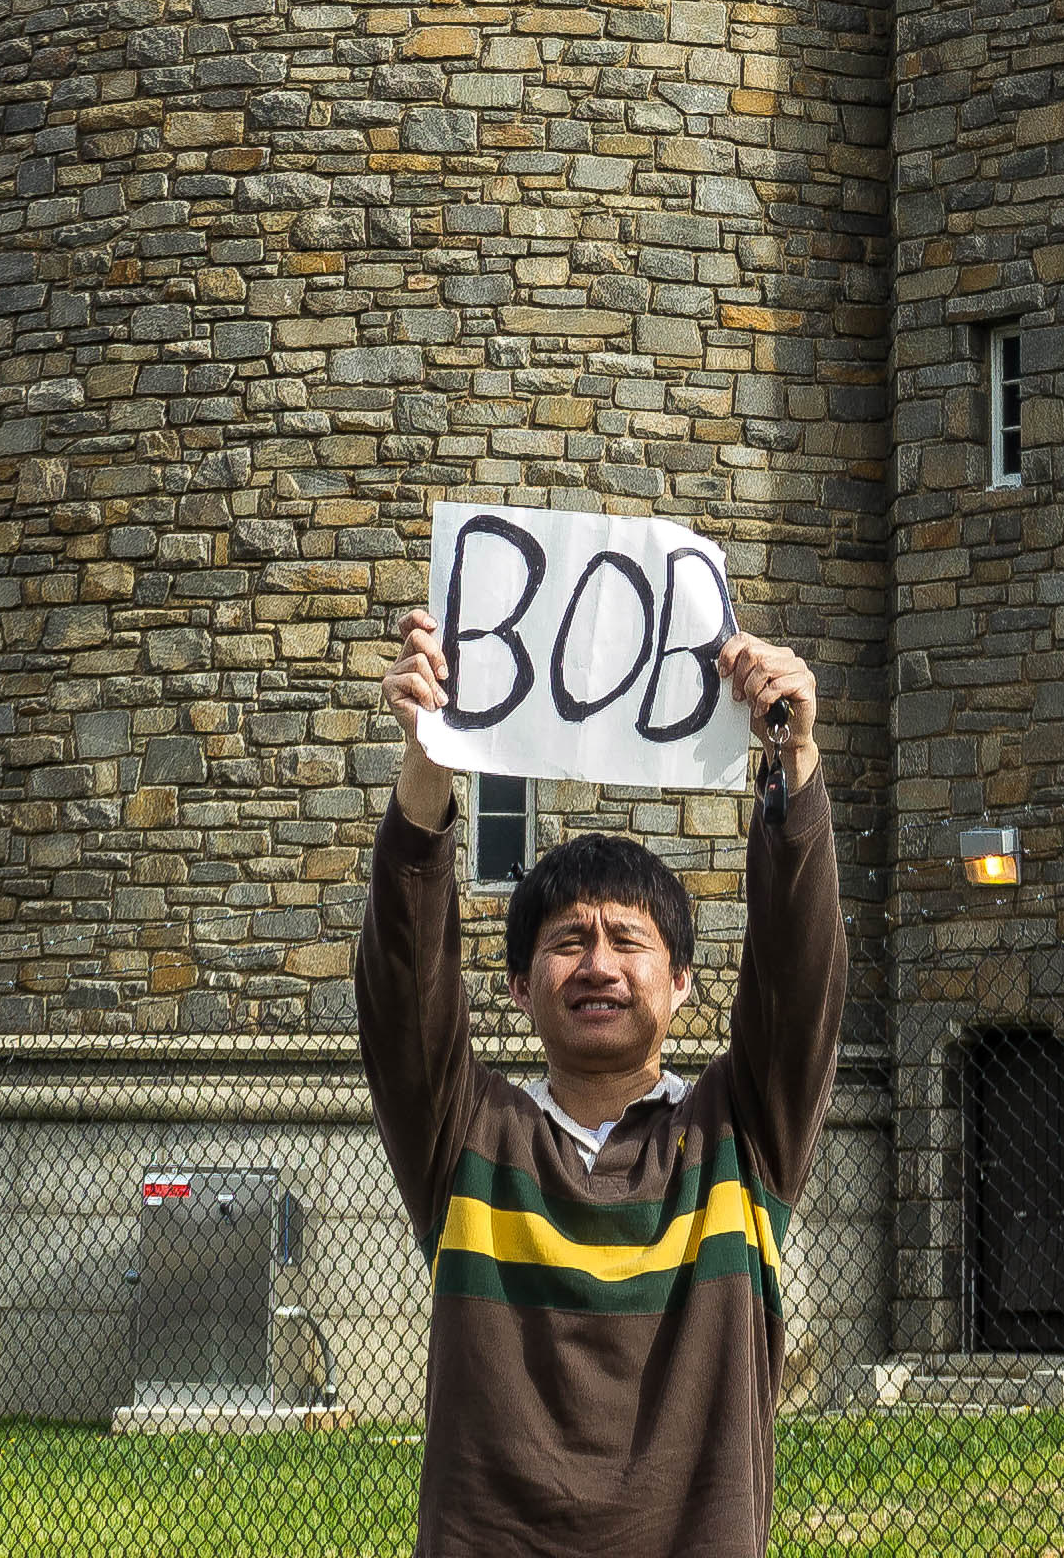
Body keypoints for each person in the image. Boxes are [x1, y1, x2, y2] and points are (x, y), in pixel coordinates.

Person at [361, 604, 840, 1558]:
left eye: (630, 940)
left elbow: (800, 977)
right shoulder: (468, 1139)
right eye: (567, 941)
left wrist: (792, 764)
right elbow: (403, 989)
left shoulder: (738, 1142)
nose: (599, 965)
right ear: (515, 985)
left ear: (686, 982)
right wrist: (427, 770)